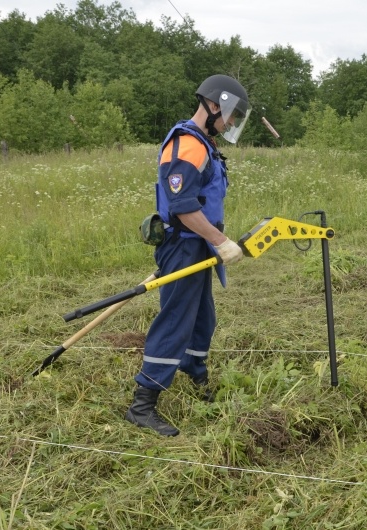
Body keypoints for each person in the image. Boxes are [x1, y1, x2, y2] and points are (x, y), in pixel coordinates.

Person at [125, 74, 252, 436]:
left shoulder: (204, 144)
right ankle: (142, 404)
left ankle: (197, 379)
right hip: (183, 246)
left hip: (197, 246)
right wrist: (221, 240)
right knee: (176, 321)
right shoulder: (187, 146)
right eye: (229, 115)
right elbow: (182, 207)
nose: (229, 123)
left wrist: (212, 241)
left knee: (201, 320)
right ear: (214, 105)